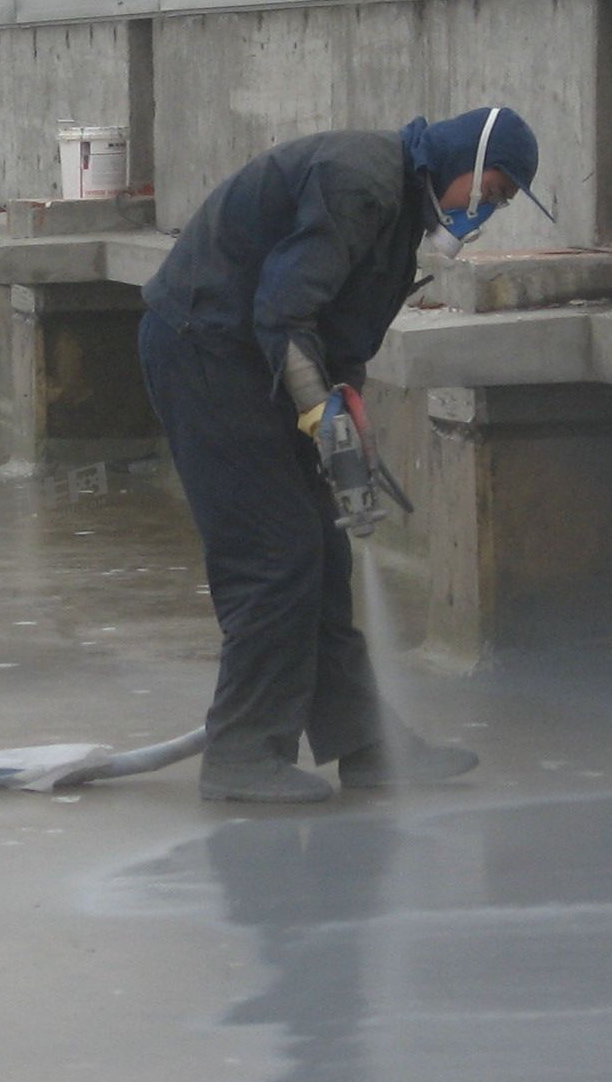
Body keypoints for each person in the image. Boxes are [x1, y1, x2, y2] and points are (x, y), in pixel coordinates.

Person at [139, 107, 549, 802]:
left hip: (253, 356)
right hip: (204, 349)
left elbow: (341, 325)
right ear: (468, 160)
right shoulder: (360, 180)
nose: (489, 210)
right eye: (496, 190)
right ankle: (241, 751)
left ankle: (367, 744)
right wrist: (315, 407)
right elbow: (283, 308)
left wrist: (345, 399)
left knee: (321, 551)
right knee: (275, 551)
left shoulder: (398, 213)